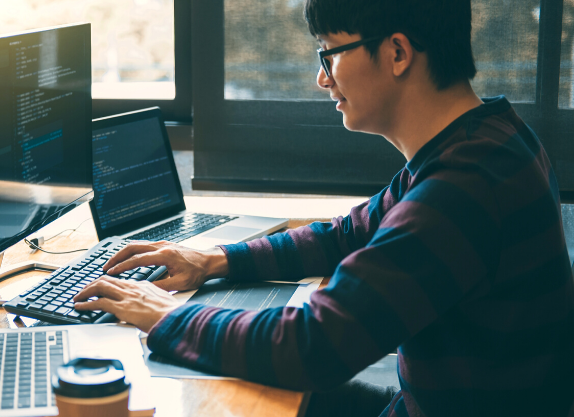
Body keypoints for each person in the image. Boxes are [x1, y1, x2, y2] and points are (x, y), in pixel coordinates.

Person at [72, 0, 574, 415]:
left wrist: (164, 317)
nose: (321, 78)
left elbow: (312, 346)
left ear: (397, 52)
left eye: (330, 54)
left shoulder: (464, 187)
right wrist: (216, 259)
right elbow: (347, 234)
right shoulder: (486, 138)